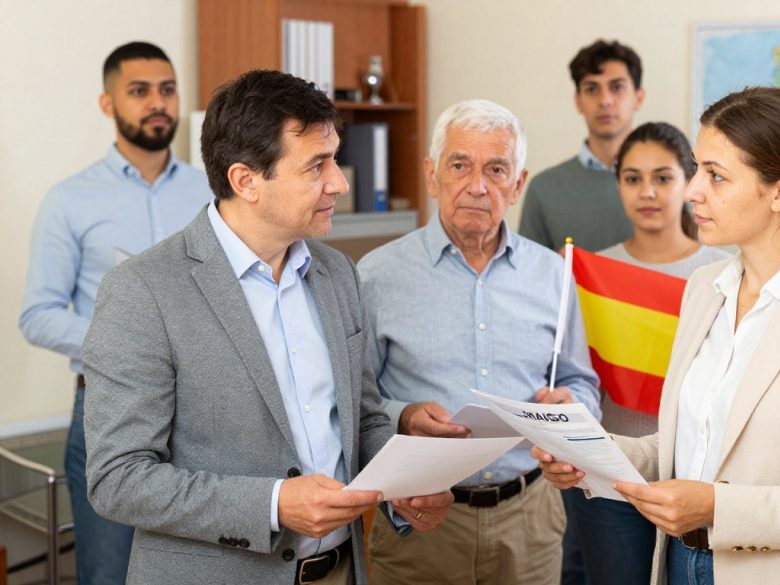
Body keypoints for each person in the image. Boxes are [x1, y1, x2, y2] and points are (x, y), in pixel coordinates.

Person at [82, 69, 452, 585]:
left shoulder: (337, 273)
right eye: (317, 166)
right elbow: (117, 479)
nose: (339, 183)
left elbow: (362, 418)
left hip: (343, 571)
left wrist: (404, 485)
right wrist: (273, 504)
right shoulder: (142, 291)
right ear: (245, 180)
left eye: (335, 160)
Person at [535, 87, 780, 585]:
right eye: (696, 169)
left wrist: (717, 507)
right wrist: (589, 454)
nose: (692, 191)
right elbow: (684, 447)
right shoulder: (703, 289)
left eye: (715, 175)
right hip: (678, 566)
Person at [357, 99, 601, 585]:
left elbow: (579, 379)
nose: (477, 185)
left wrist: (574, 405)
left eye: (496, 169)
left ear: (518, 184)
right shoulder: (375, 275)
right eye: (459, 165)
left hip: (530, 517)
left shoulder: (554, 275)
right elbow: (351, 402)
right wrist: (402, 414)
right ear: (432, 175)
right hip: (423, 515)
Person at [18, 41, 212, 585]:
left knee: (204, 570)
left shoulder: (212, 193)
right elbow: (38, 313)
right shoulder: (70, 200)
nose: (158, 103)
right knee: (108, 574)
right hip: (108, 412)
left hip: (205, 413)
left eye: (168, 90)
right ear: (108, 104)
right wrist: (128, 341)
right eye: (140, 91)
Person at [563, 122, 731, 585]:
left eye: (662, 177)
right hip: (610, 471)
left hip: (693, 473)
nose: (648, 192)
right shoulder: (592, 271)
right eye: (633, 178)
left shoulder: (723, 270)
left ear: (688, 181)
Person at [519, 39, 645, 252]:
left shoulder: (674, 182)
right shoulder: (544, 188)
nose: (605, 100)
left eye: (617, 87)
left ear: (638, 98)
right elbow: (529, 277)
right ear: (578, 101)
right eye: (592, 89)